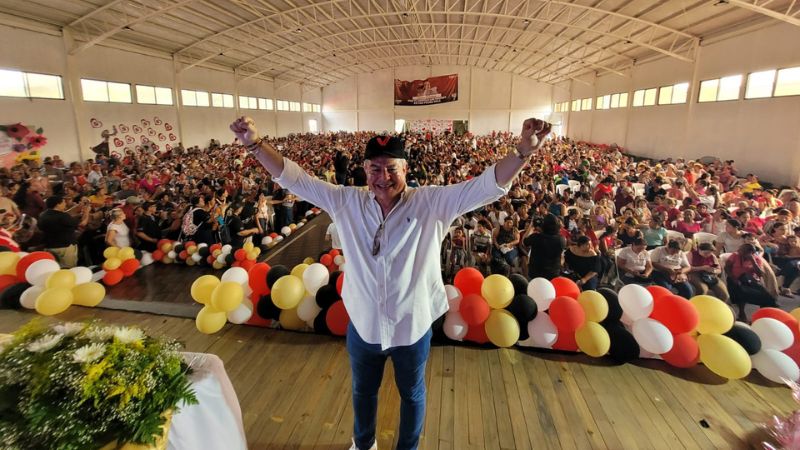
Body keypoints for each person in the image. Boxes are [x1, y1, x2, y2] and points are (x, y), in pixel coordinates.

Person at [230, 115, 551, 450]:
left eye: (391, 168)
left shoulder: (432, 203)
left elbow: (486, 186)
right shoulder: (346, 202)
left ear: (405, 170)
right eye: (375, 169)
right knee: (362, 392)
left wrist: (523, 152)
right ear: (365, 170)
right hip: (364, 325)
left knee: (412, 395)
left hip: (410, 328)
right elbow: (293, 178)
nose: (383, 177)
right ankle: (364, 443)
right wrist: (254, 143)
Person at [725, 243, 778, 320]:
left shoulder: (756, 259)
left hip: (750, 281)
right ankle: (741, 313)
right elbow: (727, 268)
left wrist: (753, 261)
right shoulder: (735, 255)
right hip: (734, 279)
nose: (739, 252)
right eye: (740, 250)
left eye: (743, 251)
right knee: (739, 290)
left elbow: (760, 274)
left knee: (767, 297)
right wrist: (734, 278)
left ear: (751, 253)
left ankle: (763, 315)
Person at [37, 195, 91, 268]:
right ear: (57, 204)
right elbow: (82, 223)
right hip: (65, 248)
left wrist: (77, 208)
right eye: (63, 202)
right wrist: (87, 212)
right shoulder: (63, 217)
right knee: (69, 268)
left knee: (55, 268)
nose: (65, 204)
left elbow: (64, 215)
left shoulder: (42, 215)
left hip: (49, 247)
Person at [524, 213, 566, 280]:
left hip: (535, 273)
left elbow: (524, 241)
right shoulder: (561, 239)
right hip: (553, 274)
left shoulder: (535, 237)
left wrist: (531, 226)